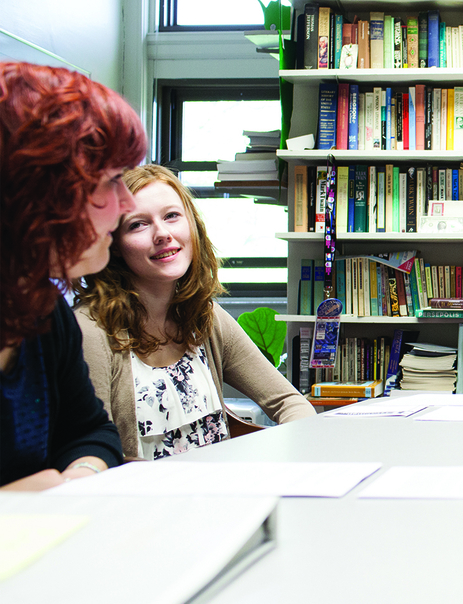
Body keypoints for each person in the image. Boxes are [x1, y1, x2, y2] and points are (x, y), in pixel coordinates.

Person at [75, 165, 315, 460]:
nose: (162, 234)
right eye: (138, 224)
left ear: (192, 225)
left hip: (225, 498)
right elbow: (90, 452)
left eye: (171, 216)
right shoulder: (90, 332)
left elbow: (290, 403)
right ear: (113, 246)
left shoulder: (205, 315)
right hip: (140, 502)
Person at [1, 62, 145, 490]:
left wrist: (77, 477)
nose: (128, 205)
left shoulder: (42, 310)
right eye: (111, 181)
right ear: (40, 193)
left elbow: (90, 432)